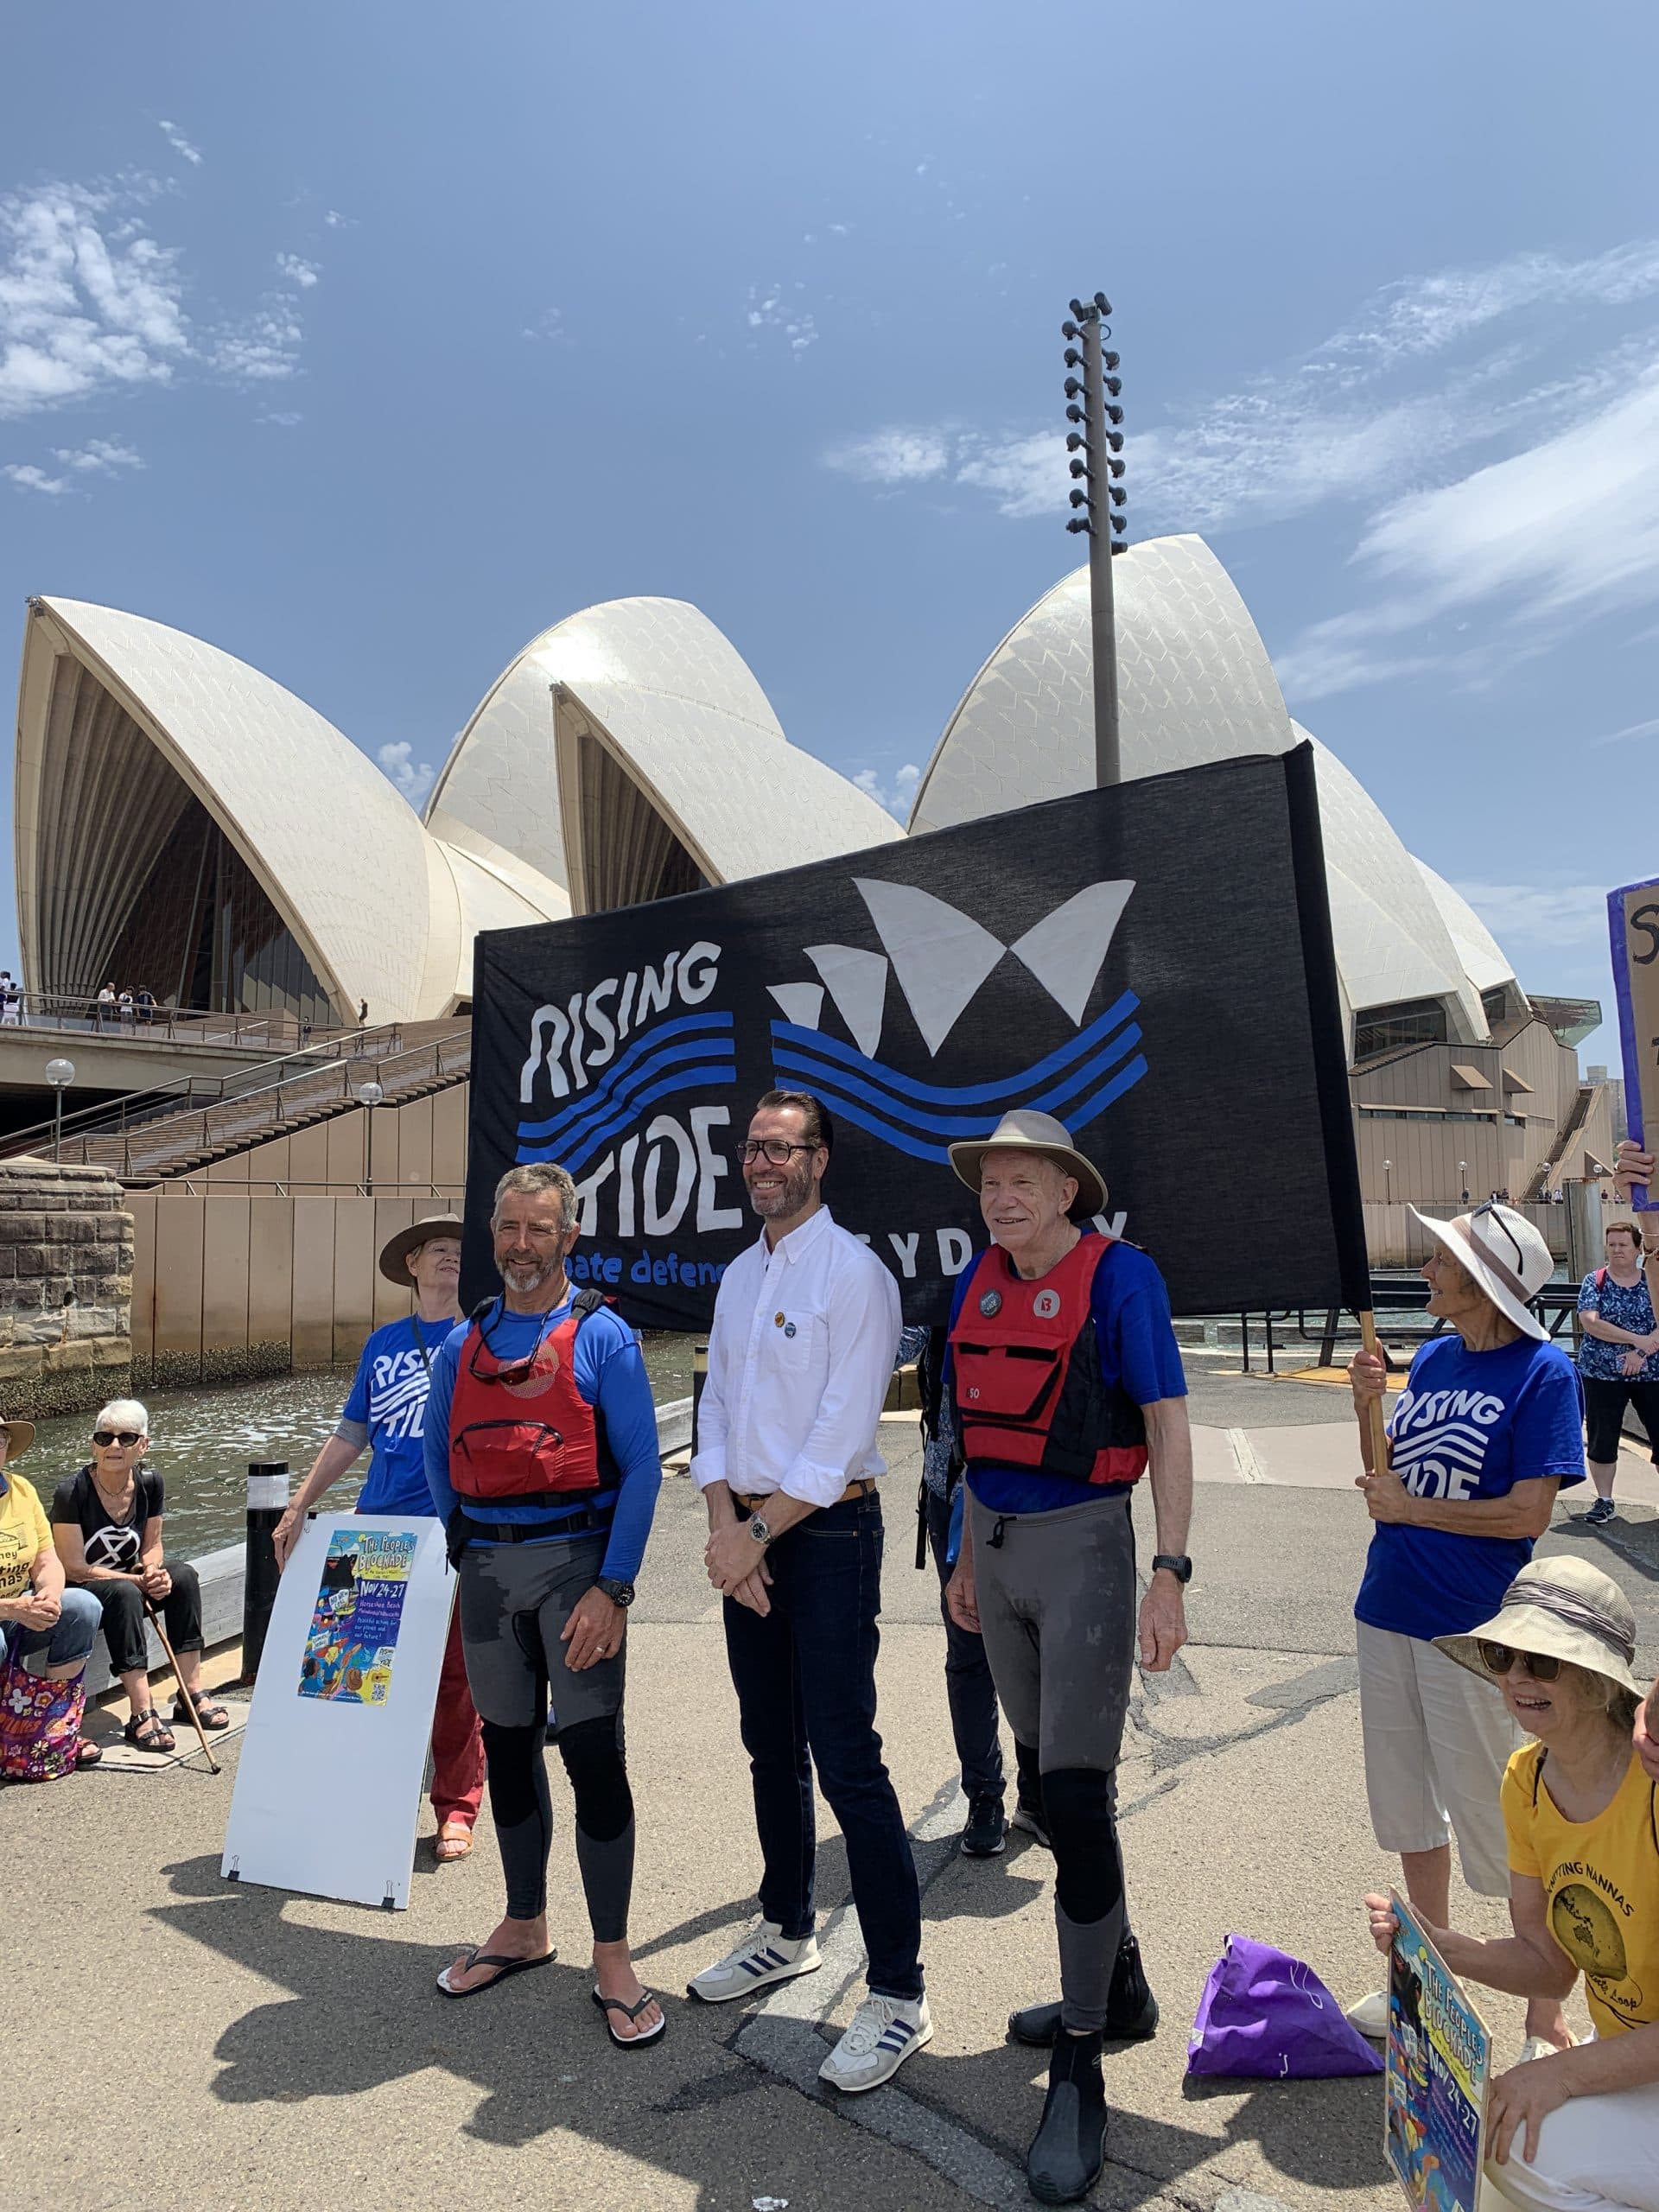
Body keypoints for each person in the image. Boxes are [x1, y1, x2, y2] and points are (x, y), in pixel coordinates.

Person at [943, 1109, 1186, 2205]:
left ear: (1068, 1191)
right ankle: (1121, 1985)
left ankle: (1082, 2055)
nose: (1003, 1196)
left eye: (1024, 1179)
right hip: (993, 1550)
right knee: (1044, 1788)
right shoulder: (974, 1278)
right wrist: (957, 1552)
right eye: (992, 1179)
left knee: (1080, 1799)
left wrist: (1171, 1569)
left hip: (1086, 1543)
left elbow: (1169, 1424)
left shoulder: (1122, 1278)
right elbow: (958, 1425)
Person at [690, 1090, 929, 2093]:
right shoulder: (742, 1275)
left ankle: (901, 1994)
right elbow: (713, 1406)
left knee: (847, 1758)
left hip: (824, 1536)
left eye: (783, 1148)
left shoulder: (856, 1275)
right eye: (752, 1148)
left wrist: (750, 1536)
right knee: (766, 1744)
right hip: (747, 1533)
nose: (763, 1163)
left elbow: (835, 1443)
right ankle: (786, 1928)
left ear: (821, 1161)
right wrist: (721, 1522)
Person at [423, 1163, 665, 2046]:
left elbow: (641, 1468)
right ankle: (525, 1923)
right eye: (508, 1228)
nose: (521, 1246)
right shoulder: (464, 1343)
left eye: (539, 1229)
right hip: (490, 1572)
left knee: (595, 1757)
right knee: (510, 1747)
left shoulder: (603, 1337)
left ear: (569, 1235)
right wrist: (470, 1551)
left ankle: (612, 1956)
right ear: (494, 1233)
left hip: (578, 1573)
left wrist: (614, 1586)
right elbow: (435, 1459)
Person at [1346, 1204, 1585, 2054]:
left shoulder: (1544, 1372)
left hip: (1474, 1627)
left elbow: (1528, 1512)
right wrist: (1366, 1403)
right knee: (1407, 1807)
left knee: (1504, 1821)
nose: (1428, 1269)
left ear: (1486, 1281)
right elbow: (1386, 1478)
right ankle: (1421, 1979)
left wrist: (1412, 1505)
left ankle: (1543, 2009)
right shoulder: (1438, 1355)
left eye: (1445, 1257)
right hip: (1388, 1607)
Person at [1363, 1555, 1659, 2212]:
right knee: (1490, 2149)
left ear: (1599, 1679)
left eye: (1543, 1662)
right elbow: (1550, 1968)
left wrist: (1561, 2071)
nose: (1516, 1678)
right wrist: (1437, 1946)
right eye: (1503, 1655)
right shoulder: (1526, 1779)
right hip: (1632, 2052)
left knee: (1518, 2156)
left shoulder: (1654, 1791)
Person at [272, 1215, 483, 1862]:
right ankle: (358, 1795)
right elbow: (352, 1434)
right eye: (438, 1251)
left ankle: (458, 1807)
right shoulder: (383, 1344)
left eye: (459, 1251)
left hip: (452, 1529)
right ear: (412, 1265)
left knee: (453, 1676)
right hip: (377, 1527)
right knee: (353, 1670)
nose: (451, 1258)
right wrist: (301, 1504)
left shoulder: (482, 1334)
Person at [912, 1325, 1049, 1858]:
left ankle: (1037, 1797)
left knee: (1036, 1651)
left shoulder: (1043, 1267)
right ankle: (985, 1798)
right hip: (953, 1491)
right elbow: (891, 1343)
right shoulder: (934, 1275)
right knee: (970, 1651)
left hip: (1037, 1492)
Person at [51, 1399, 230, 1752]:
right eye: (104, 1438)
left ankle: (191, 1691)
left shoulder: (149, 1482)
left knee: (183, 1576)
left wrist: (152, 1570)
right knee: (125, 1593)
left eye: (125, 1438)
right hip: (84, 1587)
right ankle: (141, 1711)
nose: (114, 1446)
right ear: (94, 1445)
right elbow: (73, 1566)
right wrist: (138, 1581)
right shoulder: (71, 1492)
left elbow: (153, 1545)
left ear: (143, 1445)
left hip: (128, 1580)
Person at [0, 1414, 102, 1777]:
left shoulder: (22, 1490)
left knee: (82, 1607)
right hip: (7, 1613)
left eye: (0, 1439)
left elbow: (47, 1560)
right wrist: (11, 1608)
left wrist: (49, 1595)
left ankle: (51, 1730)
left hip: (20, 1610)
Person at [1575, 1218, 1659, 1526]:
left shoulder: (1654, 1279)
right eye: (1612, 1245)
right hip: (1602, 1374)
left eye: (1624, 1245)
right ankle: (1605, 1499)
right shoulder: (1594, 1281)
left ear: (1638, 1249)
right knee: (1602, 1438)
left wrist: (1640, 1353)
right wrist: (1637, 1339)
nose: (1617, 1250)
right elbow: (1591, 1322)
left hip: (1652, 1373)